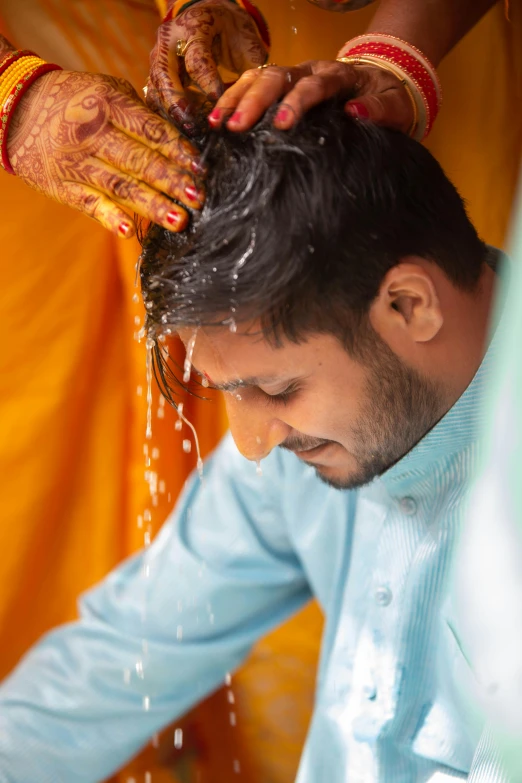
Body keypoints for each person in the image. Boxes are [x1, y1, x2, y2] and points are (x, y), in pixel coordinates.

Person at [0, 100, 510, 783]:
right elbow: (127, 650)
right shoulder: (315, 439)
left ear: (408, 305)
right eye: (226, 392)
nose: (250, 444)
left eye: (274, 390)